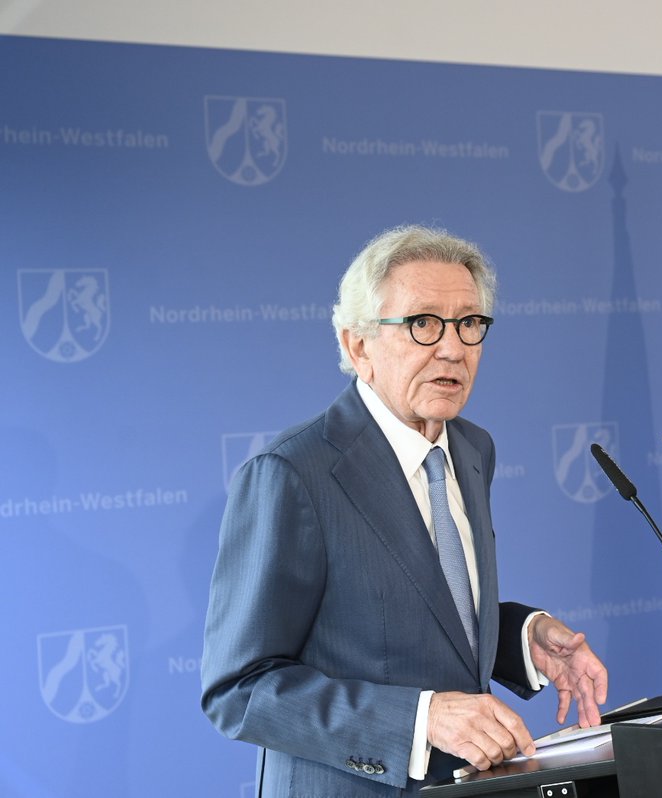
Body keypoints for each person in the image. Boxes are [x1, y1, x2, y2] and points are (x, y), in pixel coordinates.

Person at [201, 226, 608, 796]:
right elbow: (239, 689)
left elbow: (423, 609)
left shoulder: (472, 449)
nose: (453, 348)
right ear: (358, 347)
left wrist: (524, 637)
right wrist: (421, 720)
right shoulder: (292, 473)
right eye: (423, 323)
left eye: (469, 323)